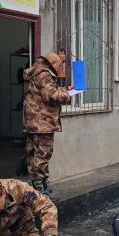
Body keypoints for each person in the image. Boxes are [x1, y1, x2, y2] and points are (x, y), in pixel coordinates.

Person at [23, 52, 72, 200]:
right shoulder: (44, 74)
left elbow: (46, 92)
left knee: (33, 154)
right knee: (43, 154)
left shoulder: (35, 72)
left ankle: (35, 188)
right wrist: (68, 94)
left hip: (32, 122)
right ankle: (42, 190)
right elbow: (51, 95)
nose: (60, 69)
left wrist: (64, 89)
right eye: (59, 65)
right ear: (53, 63)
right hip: (42, 123)